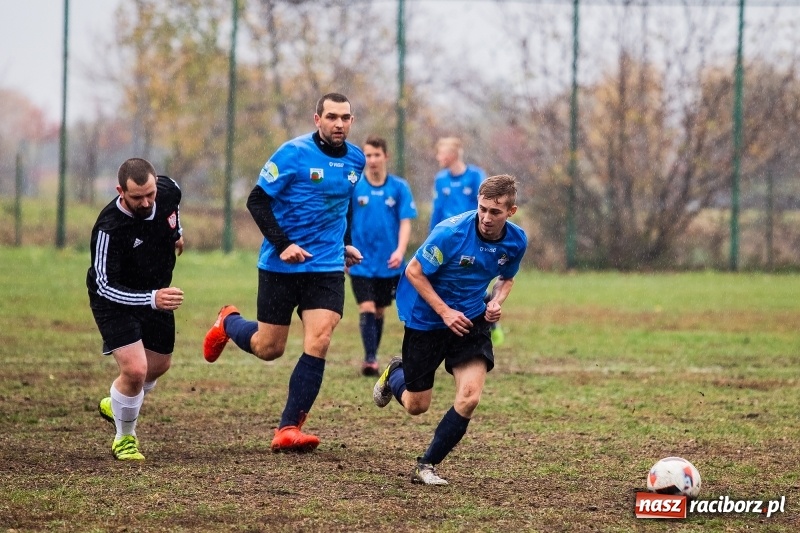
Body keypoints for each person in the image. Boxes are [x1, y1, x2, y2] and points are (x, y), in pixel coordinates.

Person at [202, 92, 366, 453]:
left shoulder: (357, 159)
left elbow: (343, 205)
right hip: (280, 266)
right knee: (269, 348)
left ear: (352, 121)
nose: (339, 124)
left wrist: (346, 243)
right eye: (332, 117)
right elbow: (256, 201)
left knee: (320, 339)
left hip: (326, 267)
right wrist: (283, 244)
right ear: (317, 119)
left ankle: (288, 428)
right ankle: (228, 321)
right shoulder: (293, 153)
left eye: (345, 118)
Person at [372, 174, 527, 485]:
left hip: (471, 319)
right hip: (427, 318)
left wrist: (496, 302)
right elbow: (414, 271)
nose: (486, 218)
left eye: (495, 212)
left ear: (511, 212)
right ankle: (395, 373)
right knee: (417, 405)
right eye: (482, 209)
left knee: (469, 397)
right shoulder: (451, 233)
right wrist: (444, 312)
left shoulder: (516, 241)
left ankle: (426, 465)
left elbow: (506, 278)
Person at [88, 157, 185, 461]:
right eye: (136, 197)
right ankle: (124, 439)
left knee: (158, 366)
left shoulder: (169, 191)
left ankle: (117, 401)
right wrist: (152, 299)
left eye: (150, 194)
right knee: (135, 370)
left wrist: (177, 232)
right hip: (114, 300)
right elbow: (104, 285)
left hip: (156, 291)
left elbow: (172, 210)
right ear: (120, 191)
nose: (145, 202)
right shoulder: (109, 227)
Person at [349, 136, 417, 376]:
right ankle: (370, 359)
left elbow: (405, 221)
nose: (372, 160)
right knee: (366, 306)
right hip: (360, 261)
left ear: (385, 156)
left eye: (376, 155)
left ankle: (372, 355)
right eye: (368, 155)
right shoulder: (355, 187)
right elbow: (344, 219)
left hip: (389, 262)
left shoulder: (399, 187)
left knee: (379, 310)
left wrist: (400, 250)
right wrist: (345, 249)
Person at [429, 137, 506, 346]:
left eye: (440, 153)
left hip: (472, 238)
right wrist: (432, 236)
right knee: (449, 281)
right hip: (448, 240)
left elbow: (485, 207)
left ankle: (488, 321)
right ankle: (451, 324)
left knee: (471, 282)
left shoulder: (475, 176)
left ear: (452, 155)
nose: (438, 157)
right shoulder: (440, 179)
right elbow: (437, 210)